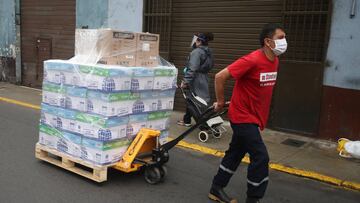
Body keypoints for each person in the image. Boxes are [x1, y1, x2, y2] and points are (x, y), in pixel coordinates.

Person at [208, 23, 287, 203]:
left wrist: (236, 99)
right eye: (281, 37)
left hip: (254, 116)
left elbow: (253, 88)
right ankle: (253, 199)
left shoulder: (274, 61)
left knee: (235, 153)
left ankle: (216, 188)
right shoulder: (252, 59)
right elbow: (220, 77)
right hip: (242, 117)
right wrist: (221, 101)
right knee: (260, 156)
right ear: (268, 42)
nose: (285, 41)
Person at [177, 32, 214, 127]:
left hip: (195, 79)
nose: (194, 41)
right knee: (194, 99)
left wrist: (185, 82)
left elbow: (192, 69)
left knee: (195, 100)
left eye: (196, 39)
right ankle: (187, 120)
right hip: (204, 77)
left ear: (200, 41)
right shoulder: (208, 51)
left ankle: (203, 122)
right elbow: (211, 65)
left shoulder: (197, 52)